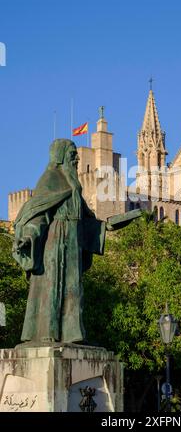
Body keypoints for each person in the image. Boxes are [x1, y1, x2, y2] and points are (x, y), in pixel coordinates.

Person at [13, 139, 140, 344]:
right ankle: (47, 333)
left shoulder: (74, 185)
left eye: (76, 154)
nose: (77, 158)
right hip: (54, 243)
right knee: (51, 286)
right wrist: (28, 237)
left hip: (73, 242)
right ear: (61, 156)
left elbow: (86, 217)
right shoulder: (50, 180)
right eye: (72, 154)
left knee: (73, 288)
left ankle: (72, 334)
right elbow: (37, 214)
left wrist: (107, 227)